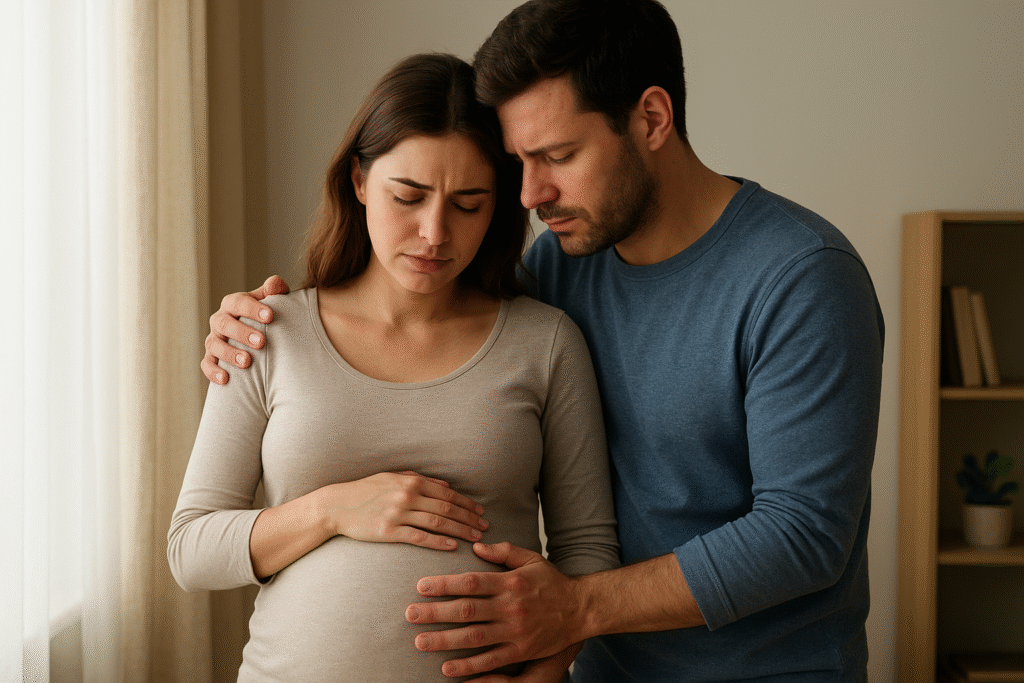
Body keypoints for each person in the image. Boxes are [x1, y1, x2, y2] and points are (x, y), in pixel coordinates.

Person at [203, 1, 885, 681]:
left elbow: (803, 534)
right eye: (519, 161)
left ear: (651, 119)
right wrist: (251, 323)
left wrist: (576, 609)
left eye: (557, 155)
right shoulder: (562, 267)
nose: (529, 194)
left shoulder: (802, 277)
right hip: (603, 672)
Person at [170, 52, 620, 683]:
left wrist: (545, 670)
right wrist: (332, 508)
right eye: (408, 196)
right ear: (358, 181)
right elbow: (191, 549)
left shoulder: (544, 342)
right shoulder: (267, 333)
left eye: (468, 204)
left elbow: (588, 555)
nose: (434, 233)